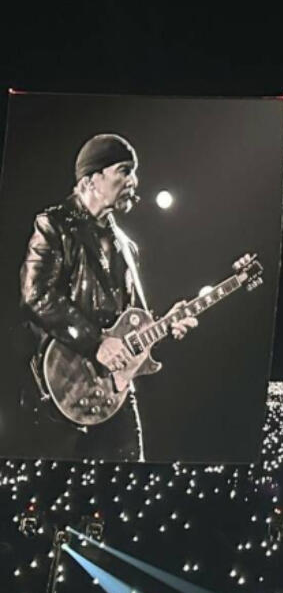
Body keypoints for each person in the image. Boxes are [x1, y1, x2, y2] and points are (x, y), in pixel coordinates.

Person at [17, 133, 197, 460]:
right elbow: (37, 295)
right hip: (61, 387)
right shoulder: (54, 225)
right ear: (91, 180)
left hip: (113, 394)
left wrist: (166, 323)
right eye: (124, 170)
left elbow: (130, 318)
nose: (134, 181)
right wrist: (95, 342)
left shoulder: (127, 247)